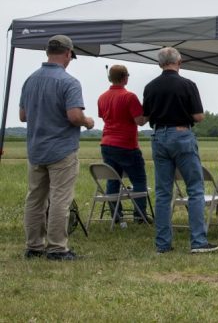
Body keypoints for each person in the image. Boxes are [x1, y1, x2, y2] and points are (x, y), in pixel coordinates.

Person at [19, 35, 94, 261]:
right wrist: (87, 121)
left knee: (35, 199)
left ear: (47, 51)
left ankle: (33, 246)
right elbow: (73, 116)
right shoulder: (69, 82)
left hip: (36, 148)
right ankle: (57, 248)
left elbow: (23, 115)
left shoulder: (30, 80)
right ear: (68, 53)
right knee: (60, 199)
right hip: (61, 149)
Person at [142, 47, 218, 254]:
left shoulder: (150, 87)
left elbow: (144, 116)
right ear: (179, 62)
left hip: (158, 136)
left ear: (160, 64)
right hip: (182, 135)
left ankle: (163, 244)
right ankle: (198, 241)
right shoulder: (187, 85)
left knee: (163, 192)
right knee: (194, 188)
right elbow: (198, 116)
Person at [97, 64, 149, 223]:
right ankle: (139, 215)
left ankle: (115, 215)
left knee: (113, 179)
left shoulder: (102, 97)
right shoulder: (129, 97)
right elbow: (140, 121)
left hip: (106, 143)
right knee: (139, 180)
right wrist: (150, 111)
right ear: (125, 77)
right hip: (126, 144)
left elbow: (103, 116)